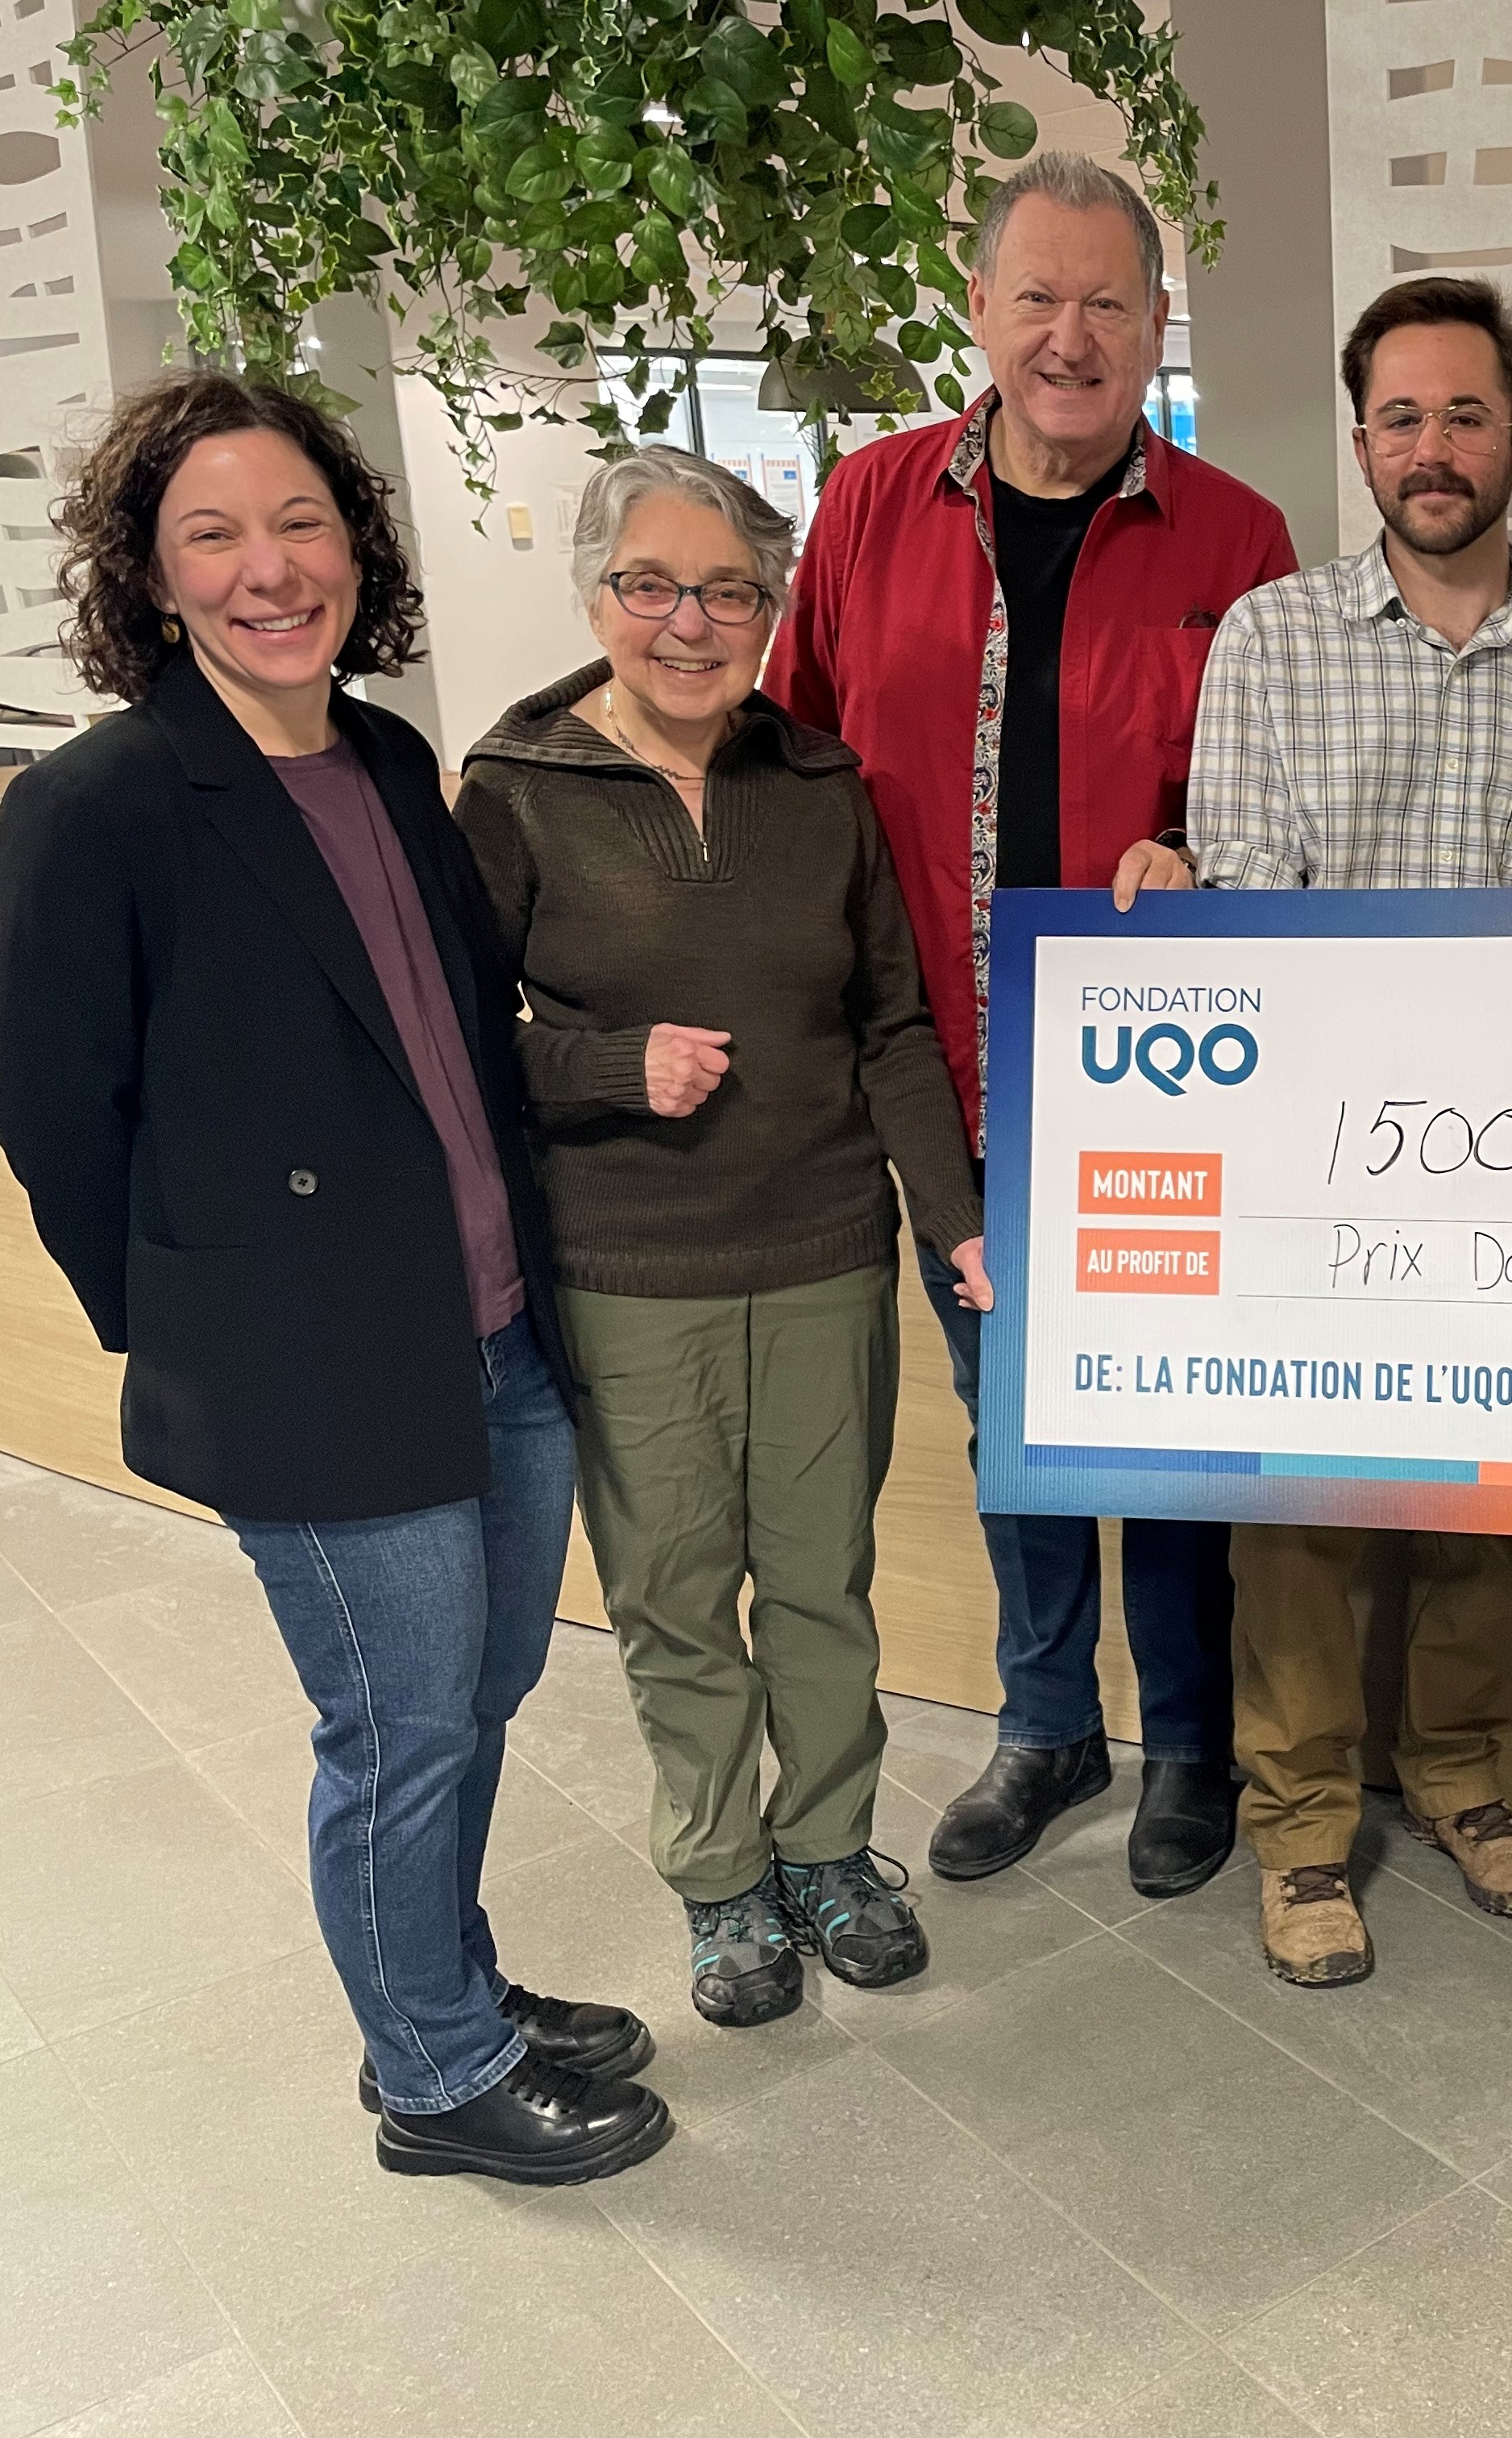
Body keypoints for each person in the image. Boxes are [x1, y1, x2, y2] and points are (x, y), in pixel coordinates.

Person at [0, 371, 667, 2182]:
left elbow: (455, 1033)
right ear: (153, 576)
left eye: (300, 522)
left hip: (492, 1333)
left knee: (477, 1698)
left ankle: (446, 1985)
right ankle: (434, 2078)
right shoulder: (99, 805)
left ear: (355, 547)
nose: (268, 568)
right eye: (212, 535)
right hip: (307, 1361)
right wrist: (200, 1321)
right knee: (398, 1727)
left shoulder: (382, 760)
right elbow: (49, 1115)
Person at [766, 151, 1296, 1903]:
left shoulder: (1238, 539)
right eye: (1040, 298)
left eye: (1110, 303)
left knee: (1177, 1427)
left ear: (1157, 324)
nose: (1073, 336)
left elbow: (1274, 799)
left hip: (1166, 1084)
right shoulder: (867, 506)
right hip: (939, 1071)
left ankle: (1193, 1742)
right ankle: (1048, 1721)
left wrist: (1199, 853)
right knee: (1018, 1421)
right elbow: (793, 760)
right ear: (981, 309)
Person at [456, 449, 984, 2028]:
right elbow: (459, 1042)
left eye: (729, 592)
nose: (689, 623)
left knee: (822, 1585)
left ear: (770, 610)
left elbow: (891, 1027)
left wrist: (953, 1222)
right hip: (627, 1271)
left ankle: (828, 1851)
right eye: (651, 586)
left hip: (825, 1251)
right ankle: (722, 1878)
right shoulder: (517, 788)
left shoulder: (821, 787)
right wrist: (614, 1066)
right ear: (597, 599)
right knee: (675, 1599)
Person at [1188, 277, 1512, 1988]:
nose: (1434, 448)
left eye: (1466, 416)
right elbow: (1241, 896)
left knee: (1474, 1506)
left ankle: (1456, 1775)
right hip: (1315, 1153)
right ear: (1362, 442)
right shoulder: (1271, 639)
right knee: (1295, 1518)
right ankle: (1298, 1827)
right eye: (1402, 418)